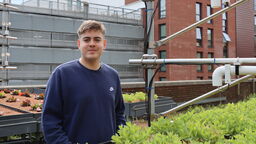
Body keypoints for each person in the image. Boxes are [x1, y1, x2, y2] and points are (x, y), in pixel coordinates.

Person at [41, 20, 126, 144]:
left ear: (104, 44)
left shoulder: (113, 75)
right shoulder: (62, 74)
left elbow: (119, 113)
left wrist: (120, 138)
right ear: (79, 44)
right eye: (86, 40)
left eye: (97, 39)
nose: (92, 44)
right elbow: (50, 121)